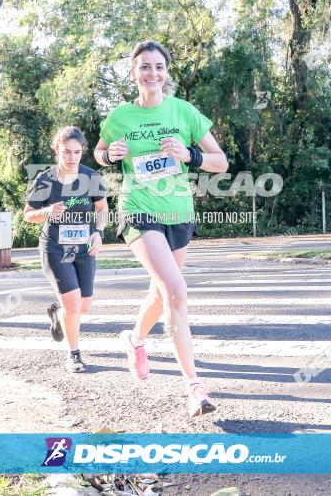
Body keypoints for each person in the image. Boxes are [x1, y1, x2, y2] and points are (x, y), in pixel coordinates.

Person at [94, 40, 228, 417]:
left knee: (160, 293)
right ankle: (194, 386)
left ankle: (135, 339)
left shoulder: (184, 112)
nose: (152, 73)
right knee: (175, 289)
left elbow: (221, 162)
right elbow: (100, 151)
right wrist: (109, 155)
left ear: (166, 72)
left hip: (179, 213)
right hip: (139, 211)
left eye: (158, 66)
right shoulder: (120, 115)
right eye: (144, 67)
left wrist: (191, 155)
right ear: (134, 72)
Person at [24, 126, 108, 373]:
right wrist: (47, 211)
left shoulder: (91, 177)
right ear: (56, 151)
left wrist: (98, 233)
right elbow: (28, 215)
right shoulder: (45, 180)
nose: (72, 157)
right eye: (66, 152)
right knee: (73, 306)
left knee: (84, 306)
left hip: (84, 248)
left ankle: (57, 313)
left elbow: (102, 210)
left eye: (77, 152)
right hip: (55, 248)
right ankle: (74, 354)